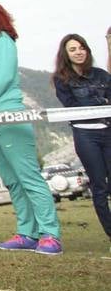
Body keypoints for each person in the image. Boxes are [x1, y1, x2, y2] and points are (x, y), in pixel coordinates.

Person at [0, 0, 61, 254]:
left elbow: (3, 78)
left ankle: (50, 234)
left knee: (28, 177)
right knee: (11, 180)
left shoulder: (2, 40)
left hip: (8, 115)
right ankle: (27, 232)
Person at [52, 34, 111, 242]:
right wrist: (100, 104)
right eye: (73, 49)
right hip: (85, 135)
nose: (78, 52)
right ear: (65, 54)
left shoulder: (102, 75)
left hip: (108, 130)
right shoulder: (61, 79)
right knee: (99, 185)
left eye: (81, 47)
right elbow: (71, 106)